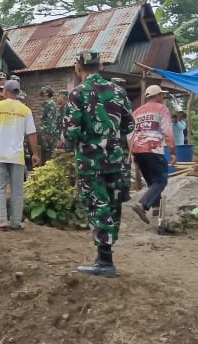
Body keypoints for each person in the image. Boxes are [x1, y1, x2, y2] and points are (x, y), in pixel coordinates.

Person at [61, 50, 134, 278]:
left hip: (90, 161)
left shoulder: (78, 93)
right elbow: (128, 127)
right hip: (115, 159)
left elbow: (71, 131)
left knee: (96, 204)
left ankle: (104, 262)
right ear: (101, 66)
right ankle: (106, 255)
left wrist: (70, 143)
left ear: (78, 67)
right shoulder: (119, 91)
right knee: (112, 205)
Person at [0, 80, 40, 230]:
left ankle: (1, 220)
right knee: (17, 190)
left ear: (5, 92)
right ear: (17, 92)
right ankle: (15, 222)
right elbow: (32, 134)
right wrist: (35, 154)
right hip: (17, 156)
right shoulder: (25, 110)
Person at [129, 85, 176, 224]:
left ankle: (156, 207)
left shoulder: (136, 112)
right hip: (153, 149)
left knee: (152, 182)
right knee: (161, 180)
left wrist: (132, 154)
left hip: (138, 150)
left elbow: (130, 134)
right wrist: (172, 151)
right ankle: (142, 205)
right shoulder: (162, 109)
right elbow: (167, 130)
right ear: (157, 96)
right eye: (162, 95)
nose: (163, 98)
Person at [39, 87, 60, 163]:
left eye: (43, 91)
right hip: (45, 131)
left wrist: (49, 133)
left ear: (47, 93)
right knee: (45, 150)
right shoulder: (46, 104)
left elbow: (51, 119)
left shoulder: (50, 103)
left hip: (48, 131)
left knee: (49, 151)